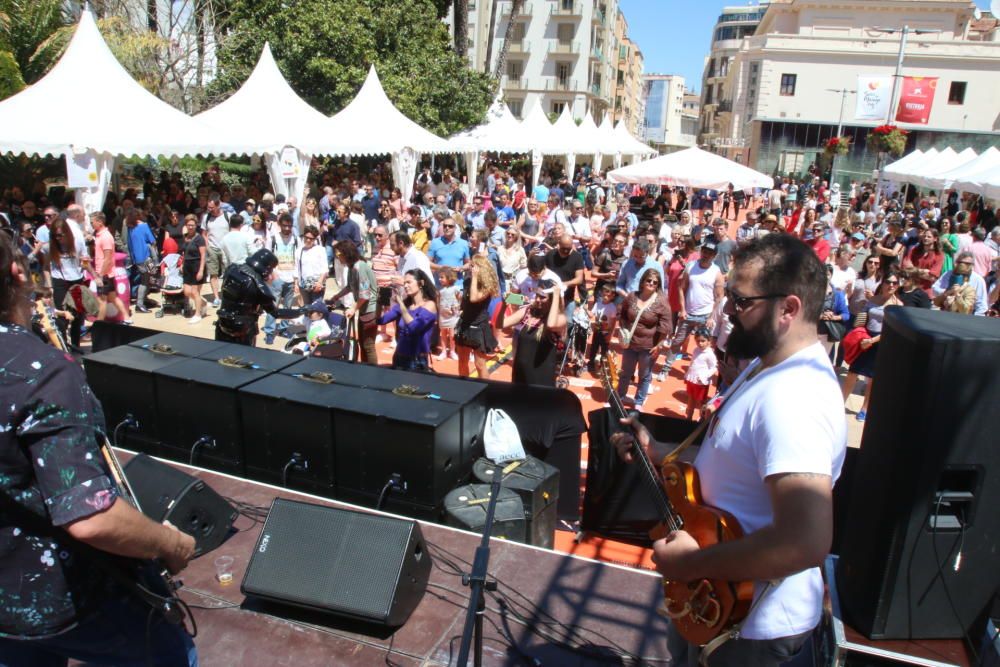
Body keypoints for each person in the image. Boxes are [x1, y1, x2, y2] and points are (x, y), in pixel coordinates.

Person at [611, 233, 846, 667]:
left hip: (750, 628)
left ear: (788, 309)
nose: (727, 311)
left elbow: (805, 541)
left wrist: (693, 563)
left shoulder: (794, 399)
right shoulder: (767, 366)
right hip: (719, 609)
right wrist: (660, 449)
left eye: (740, 301)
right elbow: (738, 458)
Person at [0, 231, 198, 665]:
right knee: (173, 654)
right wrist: (170, 543)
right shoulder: (41, 373)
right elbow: (89, 517)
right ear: (18, 273)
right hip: (65, 598)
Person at [842, 270, 902, 422]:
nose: (891, 285)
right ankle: (840, 403)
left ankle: (864, 409)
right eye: (889, 282)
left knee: (872, 379)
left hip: (880, 342)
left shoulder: (898, 305)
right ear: (883, 284)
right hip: (865, 339)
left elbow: (892, 328)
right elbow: (862, 320)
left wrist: (873, 341)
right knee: (852, 373)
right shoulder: (873, 300)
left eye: (895, 283)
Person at [215, 249, 304, 346]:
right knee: (244, 359)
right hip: (243, 330)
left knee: (219, 355)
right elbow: (276, 313)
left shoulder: (232, 269)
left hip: (222, 324)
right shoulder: (259, 287)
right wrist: (301, 311)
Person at [616, 268, 671, 408]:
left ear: (658, 285)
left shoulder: (661, 302)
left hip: (648, 346)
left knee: (644, 375)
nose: (651, 283)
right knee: (625, 373)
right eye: (649, 280)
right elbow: (622, 313)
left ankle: (639, 401)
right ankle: (620, 396)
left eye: (655, 282)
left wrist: (659, 345)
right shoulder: (632, 296)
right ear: (643, 281)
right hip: (630, 343)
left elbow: (665, 326)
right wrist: (623, 330)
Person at [503, 278, 567, 386]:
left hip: (540, 378)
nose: (537, 299)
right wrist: (503, 304)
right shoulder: (528, 311)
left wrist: (556, 295)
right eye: (537, 295)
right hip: (520, 376)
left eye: (542, 297)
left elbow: (551, 324)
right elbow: (501, 324)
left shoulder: (560, 318)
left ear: (552, 300)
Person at [670, 241, 724, 364]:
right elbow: (681, 288)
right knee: (677, 341)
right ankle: (666, 369)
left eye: (710, 253)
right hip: (688, 313)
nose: (706, 255)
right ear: (701, 252)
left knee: (704, 344)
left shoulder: (716, 271)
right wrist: (682, 309)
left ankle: (700, 369)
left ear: (714, 256)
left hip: (705, 315)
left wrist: (712, 317)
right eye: (705, 252)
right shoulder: (690, 266)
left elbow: (719, 296)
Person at [377, 270, 439, 371]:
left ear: (421, 283)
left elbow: (414, 327)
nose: (405, 286)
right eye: (404, 283)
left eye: (409, 282)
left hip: (416, 360)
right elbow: (381, 321)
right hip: (399, 357)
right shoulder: (406, 305)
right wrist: (378, 303)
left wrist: (401, 305)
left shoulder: (429, 305)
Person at [329, 240, 379, 363]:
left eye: (339, 255)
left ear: (347, 253)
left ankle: (373, 372)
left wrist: (353, 308)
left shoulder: (360, 267)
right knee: (362, 343)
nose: (338, 258)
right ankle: (365, 369)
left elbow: (365, 294)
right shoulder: (352, 267)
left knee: (368, 346)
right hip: (364, 310)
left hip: (370, 311)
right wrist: (336, 296)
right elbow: (350, 287)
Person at [42, 217, 89, 348]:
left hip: (77, 279)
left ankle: (75, 344)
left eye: (60, 235)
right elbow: (46, 268)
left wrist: (93, 273)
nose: (58, 238)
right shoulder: (50, 247)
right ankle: (63, 347)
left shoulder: (78, 242)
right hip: (60, 281)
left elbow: (84, 261)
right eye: (54, 235)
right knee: (61, 316)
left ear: (67, 233)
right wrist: (50, 285)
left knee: (78, 315)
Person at [455, 254, 500, 378]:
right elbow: (467, 302)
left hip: (479, 326)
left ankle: (485, 390)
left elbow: (475, 298)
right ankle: (464, 388)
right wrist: (460, 300)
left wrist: (474, 277)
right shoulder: (468, 281)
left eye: (473, 266)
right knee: (462, 361)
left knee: (480, 364)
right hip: (465, 324)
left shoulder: (487, 286)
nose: (470, 269)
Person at [91, 212, 131, 325]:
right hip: (107, 274)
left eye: (92, 222)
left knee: (102, 301)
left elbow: (108, 258)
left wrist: (100, 275)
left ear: (100, 222)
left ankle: (99, 325)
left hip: (105, 274)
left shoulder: (106, 237)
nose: (91, 224)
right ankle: (127, 317)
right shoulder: (100, 235)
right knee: (113, 297)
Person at [932, 251, 987, 315]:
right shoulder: (948, 274)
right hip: (945, 312)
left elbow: (981, 304)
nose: (962, 265)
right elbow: (935, 289)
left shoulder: (978, 280)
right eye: (960, 262)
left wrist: (957, 294)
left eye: (967, 263)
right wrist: (947, 292)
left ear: (972, 265)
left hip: (965, 316)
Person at [684, 326, 717, 421]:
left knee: (701, 402)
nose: (700, 343)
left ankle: (702, 419)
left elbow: (713, 368)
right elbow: (692, 363)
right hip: (692, 380)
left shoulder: (710, 354)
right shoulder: (695, 350)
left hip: (701, 383)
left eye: (703, 341)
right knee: (690, 399)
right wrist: (687, 374)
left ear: (708, 341)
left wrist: (704, 376)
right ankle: (689, 416)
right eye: (698, 341)